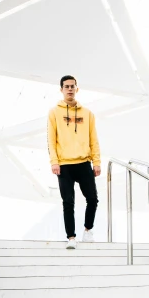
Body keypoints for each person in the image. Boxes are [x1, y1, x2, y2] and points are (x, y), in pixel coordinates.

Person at [47, 75, 101, 249]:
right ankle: (71, 237)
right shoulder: (54, 112)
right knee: (68, 202)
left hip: (84, 162)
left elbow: (94, 139)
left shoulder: (88, 114)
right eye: (66, 86)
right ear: (61, 89)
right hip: (63, 164)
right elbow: (51, 139)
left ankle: (88, 230)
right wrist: (54, 161)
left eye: (72, 86)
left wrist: (97, 162)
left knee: (92, 199)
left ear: (77, 89)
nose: (69, 89)